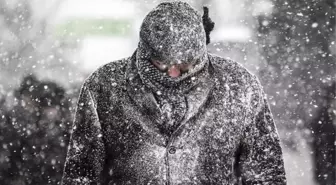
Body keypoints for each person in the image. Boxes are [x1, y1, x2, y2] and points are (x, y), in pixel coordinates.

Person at [62, 1, 287, 184]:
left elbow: (265, 173)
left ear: (201, 51)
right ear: (144, 51)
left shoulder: (239, 86)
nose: (172, 73)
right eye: (161, 62)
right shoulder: (104, 86)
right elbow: (80, 174)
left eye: (184, 64)